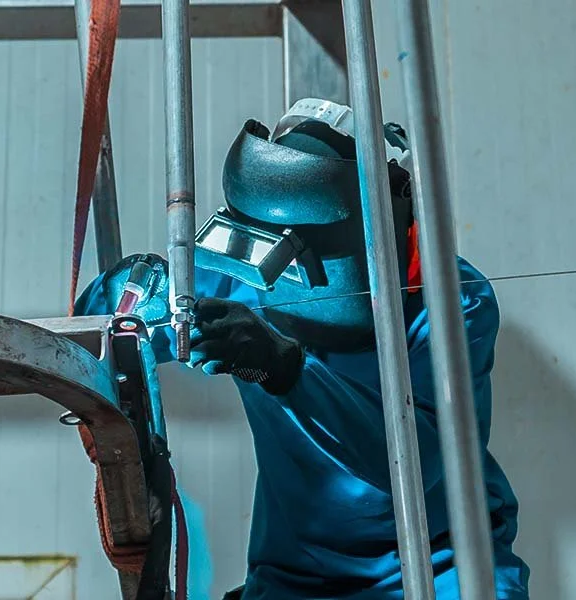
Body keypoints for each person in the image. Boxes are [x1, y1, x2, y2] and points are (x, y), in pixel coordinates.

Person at [74, 99, 530, 599]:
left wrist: (285, 366)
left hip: (444, 562)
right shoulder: (246, 275)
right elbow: (97, 329)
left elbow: (415, 462)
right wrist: (129, 292)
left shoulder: (452, 300)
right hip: (295, 575)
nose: (273, 271)